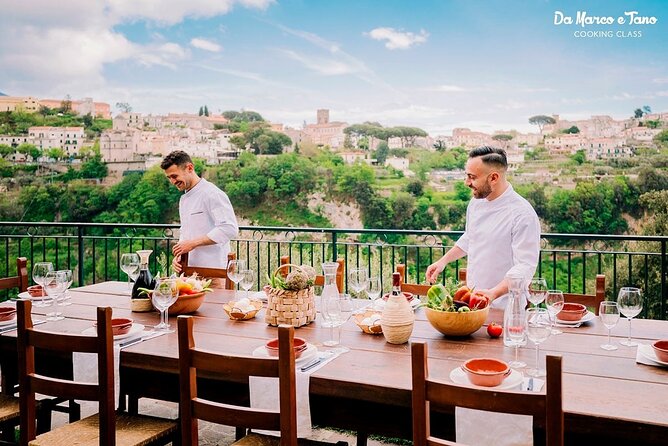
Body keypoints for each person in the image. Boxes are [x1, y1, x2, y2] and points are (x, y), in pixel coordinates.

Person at [425, 146, 541, 309]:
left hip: (506, 308)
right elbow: (470, 237)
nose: (467, 183)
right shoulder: (475, 203)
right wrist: (443, 261)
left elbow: (525, 267)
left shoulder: (523, 214)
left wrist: (493, 293)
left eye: (472, 177)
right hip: (473, 304)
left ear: (494, 178)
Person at [161, 151, 239, 284]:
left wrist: (192, 244)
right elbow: (186, 232)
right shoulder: (183, 199)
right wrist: (179, 256)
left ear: (189, 168)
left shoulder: (212, 194)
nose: (173, 181)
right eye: (169, 178)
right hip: (189, 275)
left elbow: (229, 228)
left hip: (214, 274)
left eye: (174, 176)